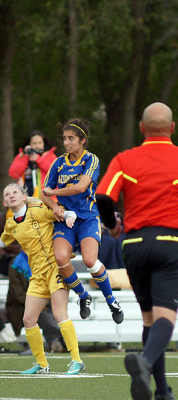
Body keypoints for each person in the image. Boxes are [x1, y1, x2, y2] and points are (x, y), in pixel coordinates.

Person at [96, 102, 178, 400]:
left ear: (142, 128)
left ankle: (163, 392)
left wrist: (112, 225)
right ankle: (143, 361)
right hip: (170, 244)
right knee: (166, 316)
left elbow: (104, 195)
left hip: (133, 245)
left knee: (149, 319)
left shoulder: (125, 159)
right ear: (171, 128)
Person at [0, 183, 84, 375]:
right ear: (4, 202)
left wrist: (71, 216)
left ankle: (76, 359)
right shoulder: (11, 223)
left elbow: (62, 213)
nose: (11, 195)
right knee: (28, 319)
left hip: (56, 269)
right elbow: (3, 241)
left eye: (14, 192)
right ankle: (42, 364)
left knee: (60, 314)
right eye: (7, 193)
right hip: (37, 275)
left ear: (23, 196)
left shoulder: (38, 211)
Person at [41, 118, 124, 324]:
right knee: (60, 258)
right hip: (65, 220)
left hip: (87, 218)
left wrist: (54, 192)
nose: (67, 143)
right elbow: (44, 193)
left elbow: (80, 187)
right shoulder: (58, 163)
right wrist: (55, 206)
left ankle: (111, 300)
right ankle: (82, 296)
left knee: (89, 260)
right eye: (65, 139)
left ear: (82, 140)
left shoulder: (91, 160)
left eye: (71, 139)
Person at [6, 252, 67, 353]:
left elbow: (48, 286)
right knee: (39, 313)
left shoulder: (42, 261)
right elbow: (17, 292)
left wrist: (42, 302)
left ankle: (54, 341)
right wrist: (37, 303)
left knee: (53, 309)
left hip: (44, 302)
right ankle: (61, 338)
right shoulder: (15, 264)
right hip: (19, 306)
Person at [9, 130, 57, 197]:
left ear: (44, 143)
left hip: (46, 197)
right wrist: (26, 156)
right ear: (29, 144)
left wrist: (38, 159)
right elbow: (13, 173)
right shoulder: (22, 156)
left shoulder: (50, 155)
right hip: (26, 196)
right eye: (34, 143)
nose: (37, 146)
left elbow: (55, 171)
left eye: (40, 143)